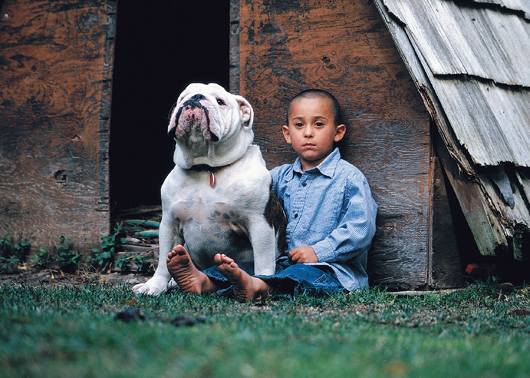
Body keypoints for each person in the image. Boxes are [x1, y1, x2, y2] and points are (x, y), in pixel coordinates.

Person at [165, 89, 378, 302]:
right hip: (282, 264)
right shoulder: (277, 177)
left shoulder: (349, 178)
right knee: (239, 267)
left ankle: (258, 286)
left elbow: (361, 228)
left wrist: (319, 252)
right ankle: (204, 281)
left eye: (319, 124)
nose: (308, 133)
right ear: (287, 134)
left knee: (303, 275)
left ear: (338, 132)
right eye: (299, 125)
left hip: (333, 269)